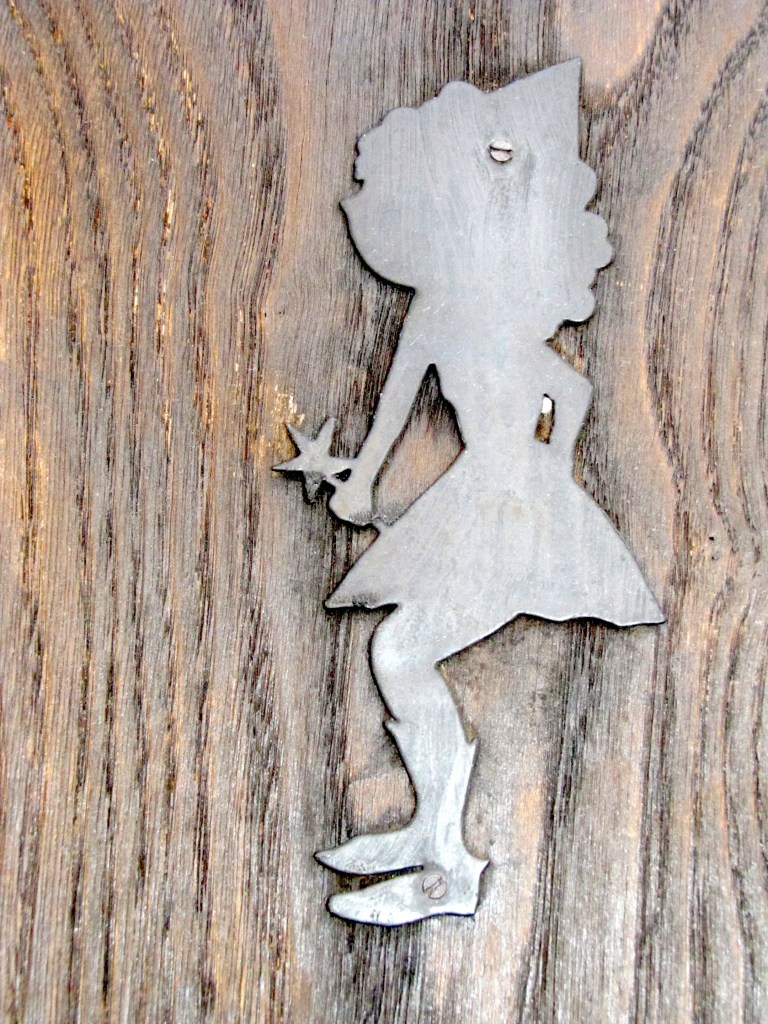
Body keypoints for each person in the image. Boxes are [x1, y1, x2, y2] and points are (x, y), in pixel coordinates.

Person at [282, 59, 663, 925]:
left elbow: (571, 391)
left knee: (399, 653)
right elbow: (397, 401)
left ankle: (448, 865)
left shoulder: (485, 308)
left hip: (510, 504)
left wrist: (545, 474)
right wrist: (362, 481)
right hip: (483, 492)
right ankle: (432, 837)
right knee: (399, 653)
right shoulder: (439, 307)